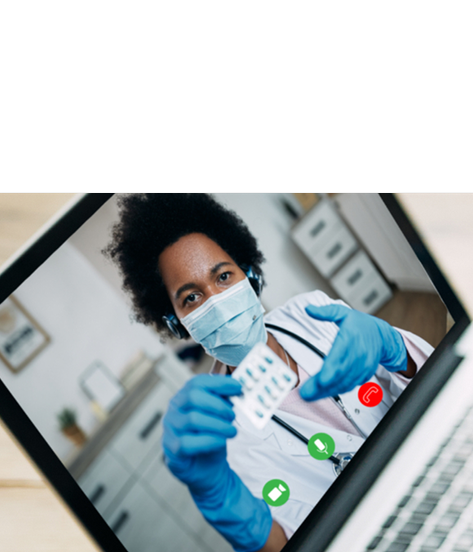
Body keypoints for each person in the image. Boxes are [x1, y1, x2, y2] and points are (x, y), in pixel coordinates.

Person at [105, 193, 432, 552]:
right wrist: (221, 500)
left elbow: (432, 381)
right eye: (191, 298)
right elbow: (286, 542)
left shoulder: (312, 312)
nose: (216, 300)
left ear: (250, 275)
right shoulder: (220, 433)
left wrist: (395, 349)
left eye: (224, 276)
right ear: (177, 323)